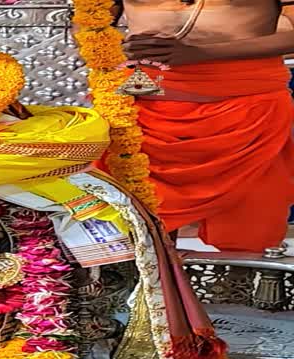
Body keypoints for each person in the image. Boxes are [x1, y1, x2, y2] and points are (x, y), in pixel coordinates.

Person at [111, 0, 294, 252]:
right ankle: (151, 286)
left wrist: (201, 53)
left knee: (249, 216)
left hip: (243, 107)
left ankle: (235, 287)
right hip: (145, 107)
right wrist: (120, 47)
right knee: (140, 227)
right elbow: (89, 27)